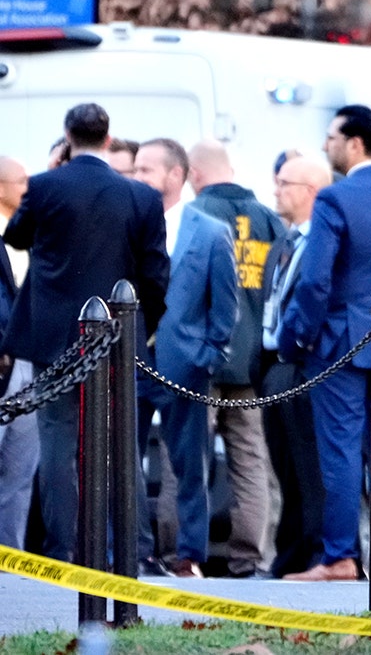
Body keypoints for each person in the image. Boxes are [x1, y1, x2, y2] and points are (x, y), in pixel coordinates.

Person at [2, 103, 170, 563]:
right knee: (121, 445)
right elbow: (156, 275)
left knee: (58, 445)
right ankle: (132, 550)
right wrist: (139, 330)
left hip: (53, 340)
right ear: (109, 138)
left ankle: (64, 550)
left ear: (67, 137)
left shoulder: (44, 186)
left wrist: (52, 172)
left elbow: (15, 237)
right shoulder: (141, 197)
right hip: (116, 339)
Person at [279, 104, 371, 582]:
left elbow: (314, 282)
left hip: (339, 342)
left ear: (355, 143)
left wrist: (293, 338)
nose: (325, 145)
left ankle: (340, 557)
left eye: (332, 137)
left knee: (339, 450)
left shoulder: (335, 199)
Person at [134, 138, 239, 578]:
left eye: (145, 170)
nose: (136, 177)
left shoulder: (210, 231)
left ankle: (189, 555)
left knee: (190, 463)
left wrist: (208, 354)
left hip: (185, 364)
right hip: (133, 360)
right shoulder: (130, 225)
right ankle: (134, 549)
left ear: (175, 176)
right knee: (124, 457)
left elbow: (225, 304)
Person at [188, 139, 286, 578]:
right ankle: (250, 558)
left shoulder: (194, 216)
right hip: (251, 364)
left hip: (200, 360)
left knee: (189, 458)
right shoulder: (267, 217)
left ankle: (183, 556)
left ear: (194, 174)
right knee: (250, 461)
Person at [262, 155, 332, 577]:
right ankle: (287, 554)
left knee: (309, 468)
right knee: (282, 467)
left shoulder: (319, 243)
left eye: (285, 183)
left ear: (310, 192)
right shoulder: (283, 242)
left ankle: (313, 551)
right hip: (274, 365)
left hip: (303, 366)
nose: (276, 190)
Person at [0, 156, 36, 550]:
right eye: (23, 181)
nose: (29, 188)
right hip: (3, 363)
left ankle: (10, 557)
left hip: (32, 365)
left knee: (20, 468)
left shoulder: (29, 237)